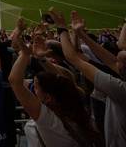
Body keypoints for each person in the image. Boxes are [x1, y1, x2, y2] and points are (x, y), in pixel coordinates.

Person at [8, 34, 101, 146]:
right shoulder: (79, 107)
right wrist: (42, 59)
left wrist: (25, 54)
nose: (33, 88)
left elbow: (14, 81)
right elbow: (64, 80)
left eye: (36, 87)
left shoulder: (48, 119)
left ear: (48, 97)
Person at [53, 8, 126, 146]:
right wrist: (80, 33)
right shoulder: (121, 75)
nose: (118, 55)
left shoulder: (119, 89)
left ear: (121, 69)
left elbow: (73, 57)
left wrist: (61, 28)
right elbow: (111, 61)